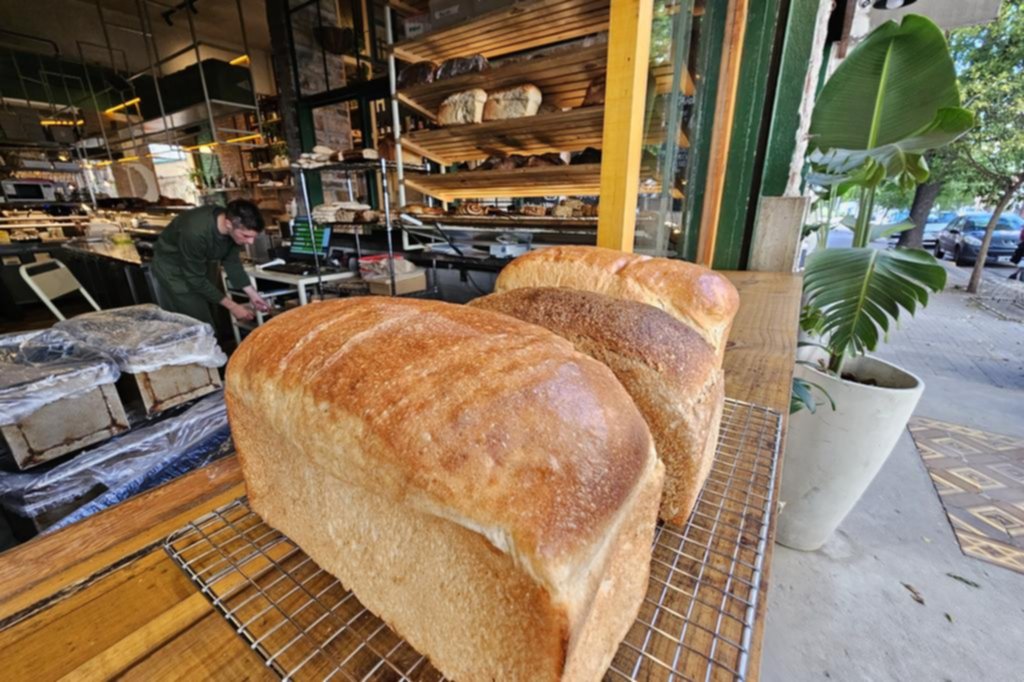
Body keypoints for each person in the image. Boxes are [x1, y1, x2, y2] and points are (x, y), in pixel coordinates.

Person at [152, 199, 270, 324]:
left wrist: (253, 295)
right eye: (246, 236)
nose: (250, 242)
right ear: (228, 224)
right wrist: (233, 307)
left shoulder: (231, 228)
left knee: (212, 306)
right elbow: (195, 279)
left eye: (253, 237)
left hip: (200, 263)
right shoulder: (195, 232)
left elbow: (232, 262)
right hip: (174, 268)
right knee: (199, 320)